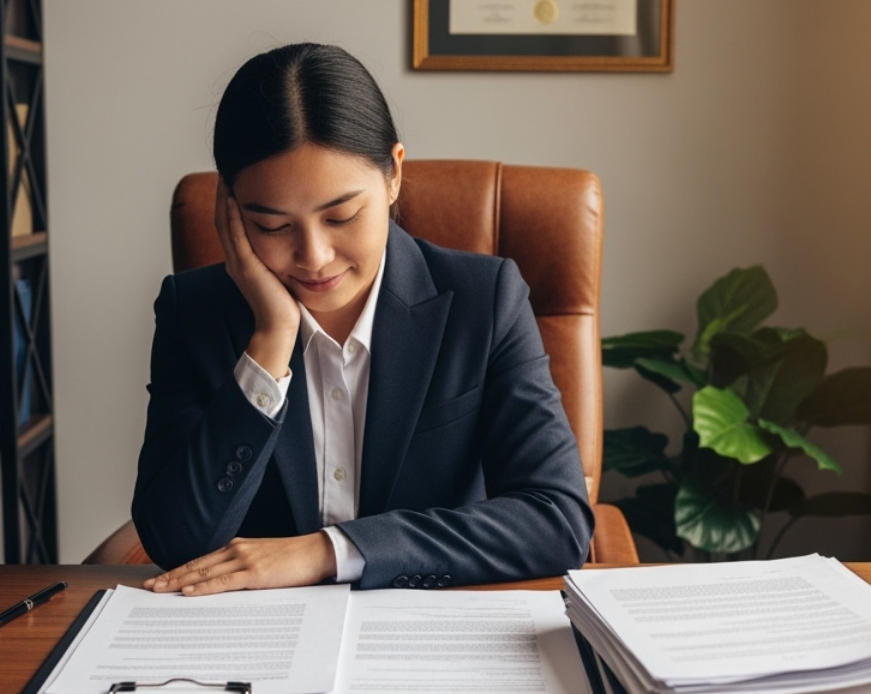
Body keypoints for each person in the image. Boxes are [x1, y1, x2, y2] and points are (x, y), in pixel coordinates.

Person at [132, 43, 593, 595]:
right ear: (230, 211)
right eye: (273, 226)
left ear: (394, 175)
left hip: (425, 637)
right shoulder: (196, 312)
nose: (314, 256)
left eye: (341, 216)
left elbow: (557, 519)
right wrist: (272, 338)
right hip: (261, 650)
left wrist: (331, 550)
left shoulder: (483, 300)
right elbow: (177, 542)